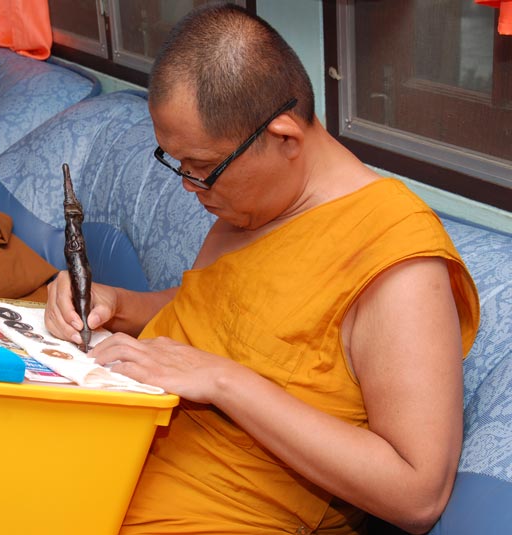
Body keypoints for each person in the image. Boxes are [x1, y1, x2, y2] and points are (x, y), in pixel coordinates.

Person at [44, 4, 480, 535]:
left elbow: (417, 495)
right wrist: (113, 305)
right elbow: (217, 313)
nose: (189, 186)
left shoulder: (397, 260)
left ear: (284, 137)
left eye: (203, 168)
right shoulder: (255, 202)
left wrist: (225, 381)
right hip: (105, 462)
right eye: (179, 164)